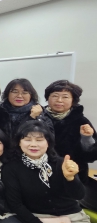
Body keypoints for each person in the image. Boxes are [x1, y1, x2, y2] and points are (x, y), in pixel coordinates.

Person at [43, 80, 97, 210]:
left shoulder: (81, 121)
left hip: (73, 176)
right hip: (41, 175)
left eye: (65, 97)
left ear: (73, 101)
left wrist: (87, 138)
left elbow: (91, 156)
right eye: (55, 96)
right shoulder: (38, 118)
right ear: (48, 98)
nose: (59, 100)